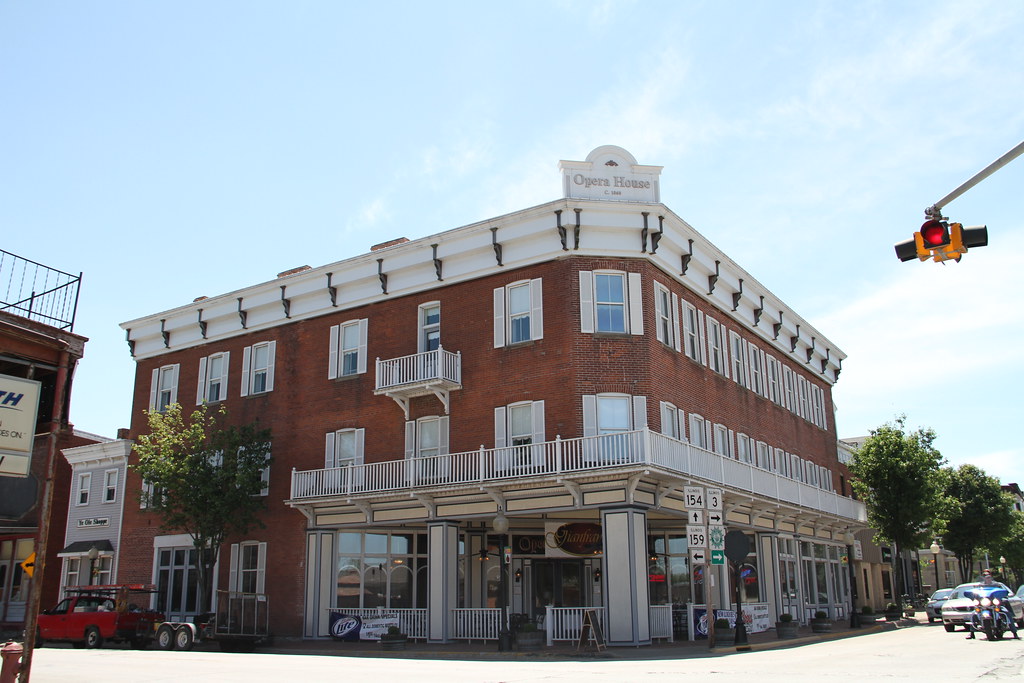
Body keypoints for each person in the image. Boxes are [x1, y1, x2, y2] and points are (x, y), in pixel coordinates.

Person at [966, 570, 1020, 639]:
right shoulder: (980, 586)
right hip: (983, 604)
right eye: (985, 576)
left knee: (1006, 613)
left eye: (988, 576)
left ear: (991, 576)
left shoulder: (996, 585)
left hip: (995, 604)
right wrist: (974, 597)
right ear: (983, 577)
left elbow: (1001, 593)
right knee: (974, 614)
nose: (987, 577)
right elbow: (976, 594)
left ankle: (1014, 633)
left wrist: (1003, 596)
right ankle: (972, 633)